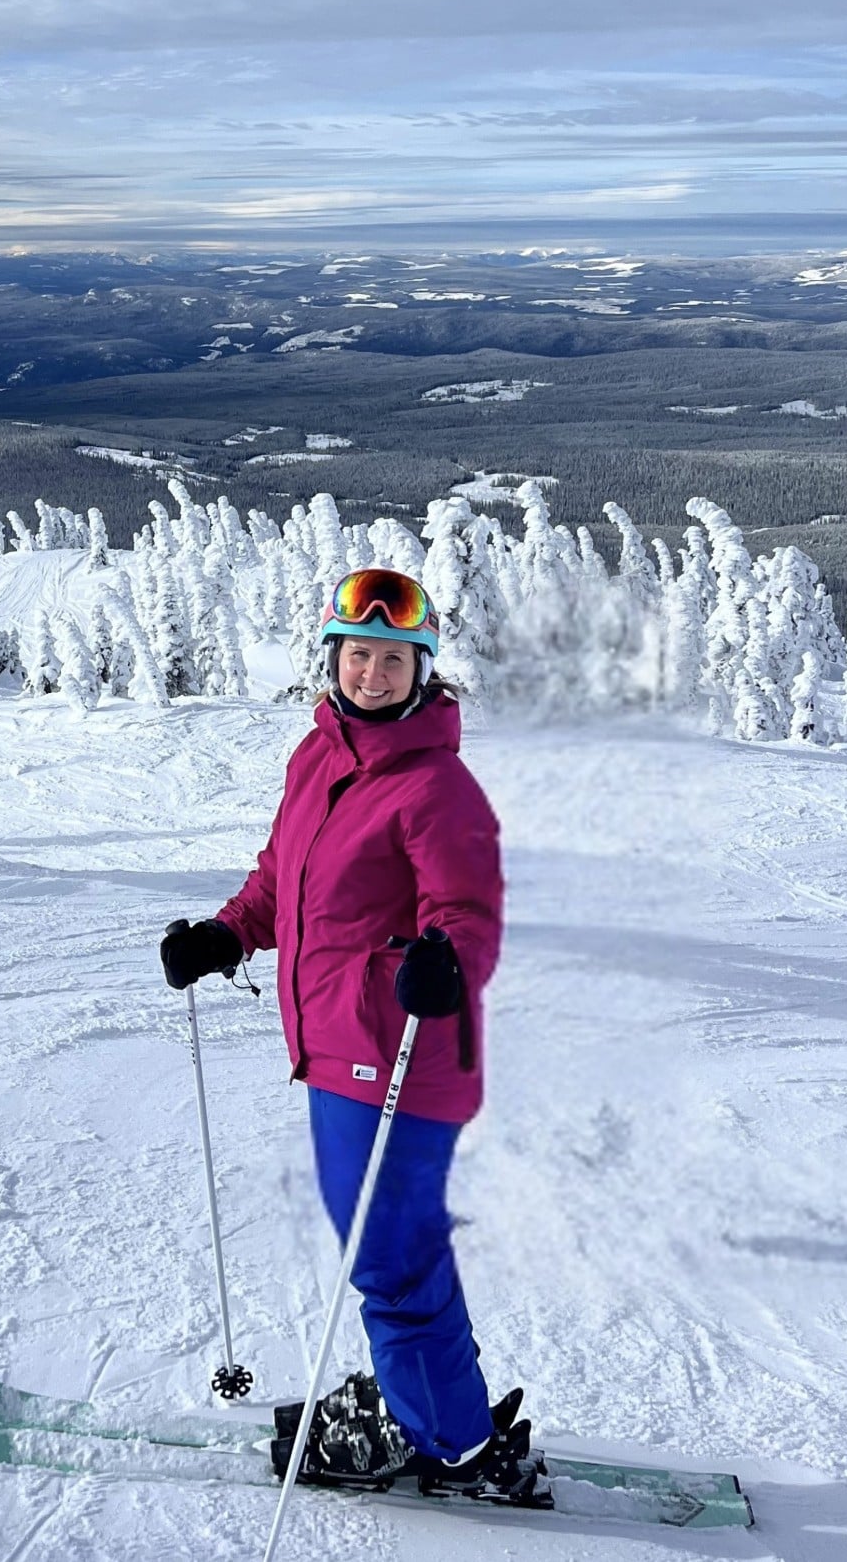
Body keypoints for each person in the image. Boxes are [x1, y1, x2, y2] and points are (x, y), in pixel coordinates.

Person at [160, 565, 538, 1500]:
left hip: (402, 1054)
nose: (372, 673)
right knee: (395, 1247)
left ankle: (449, 1440)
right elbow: (282, 873)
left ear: (424, 670)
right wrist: (228, 931)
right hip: (338, 1050)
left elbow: (469, 912)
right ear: (333, 659)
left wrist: (445, 961)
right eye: (358, 654)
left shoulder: (436, 785)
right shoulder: (319, 755)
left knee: (388, 1254)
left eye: (393, 658)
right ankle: (432, 1401)